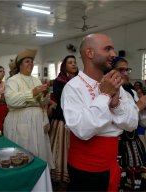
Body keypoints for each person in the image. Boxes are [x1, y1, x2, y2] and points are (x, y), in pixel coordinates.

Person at [61, 33, 139, 191]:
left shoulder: (116, 84)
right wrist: (104, 95)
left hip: (111, 163)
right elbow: (83, 130)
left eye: (113, 49)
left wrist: (116, 106)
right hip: (85, 168)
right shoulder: (73, 87)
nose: (114, 54)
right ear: (90, 53)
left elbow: (132, 123)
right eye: (108, 49)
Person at [3, 48, 54, 169]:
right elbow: (11, 100)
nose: (30, 64)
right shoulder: (12, 80)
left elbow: (42, 102)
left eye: (32, 62)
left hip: (37, 122)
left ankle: (39, 175)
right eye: (27, 61)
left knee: (39, 151)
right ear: (20, 65)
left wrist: (45, 94)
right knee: (24, 151)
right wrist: (32, 93)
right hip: (20, 120)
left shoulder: (36, 80)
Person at [112, 57, 146, 191]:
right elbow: (118, 119)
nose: (126, 73)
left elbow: (139, 120)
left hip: (133, 140)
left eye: (127, 70)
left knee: (137, 178)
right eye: (121, 70)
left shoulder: (131, 92)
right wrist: (139, 105)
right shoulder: (109, 92)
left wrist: (142, 110)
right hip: (118, 142)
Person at [49, 55, 78, 183]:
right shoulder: (59, 81)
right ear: (64, 66)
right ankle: (59, 174)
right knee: (60, 147)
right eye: (70, 62)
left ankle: (73, 172)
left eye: (75, 62)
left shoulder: (81, 80)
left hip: (77, 120)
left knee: (74, 148)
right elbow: (63, 98)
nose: (73, 64)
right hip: (62, 119)